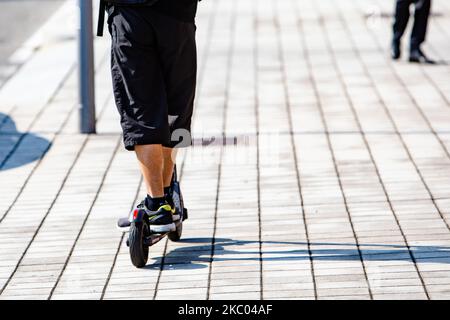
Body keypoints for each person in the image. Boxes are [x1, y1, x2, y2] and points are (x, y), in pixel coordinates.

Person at [103, 0, 199, 232]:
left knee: (140, 111)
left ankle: (157, 204)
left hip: (129, 13)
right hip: (177, 16)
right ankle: (164, 199)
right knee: (176, 111)